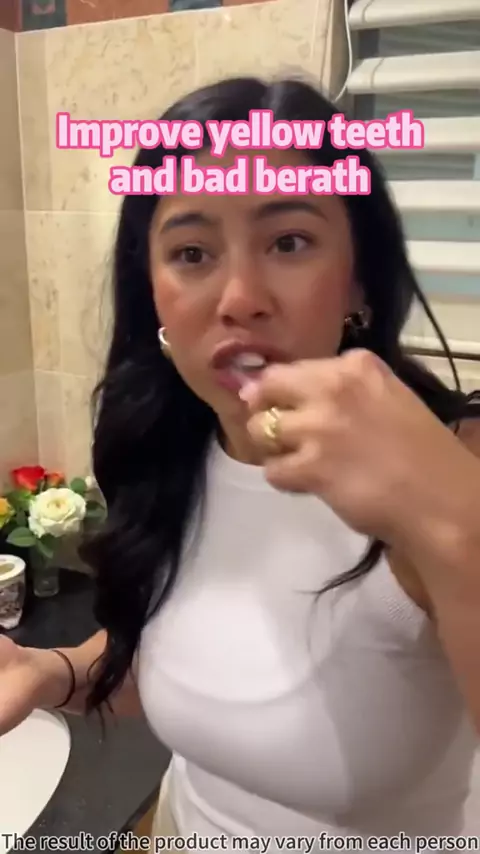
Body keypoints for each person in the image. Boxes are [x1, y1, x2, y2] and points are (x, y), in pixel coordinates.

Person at [1, 76, 480, 849]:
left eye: (288, 242)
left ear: (358, 276)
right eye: (192, 252)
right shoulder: (171, 455)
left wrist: (459, 525)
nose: (239, 298)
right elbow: (188, 669)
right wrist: (50, 672)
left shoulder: (450, 470)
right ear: (154, 295)